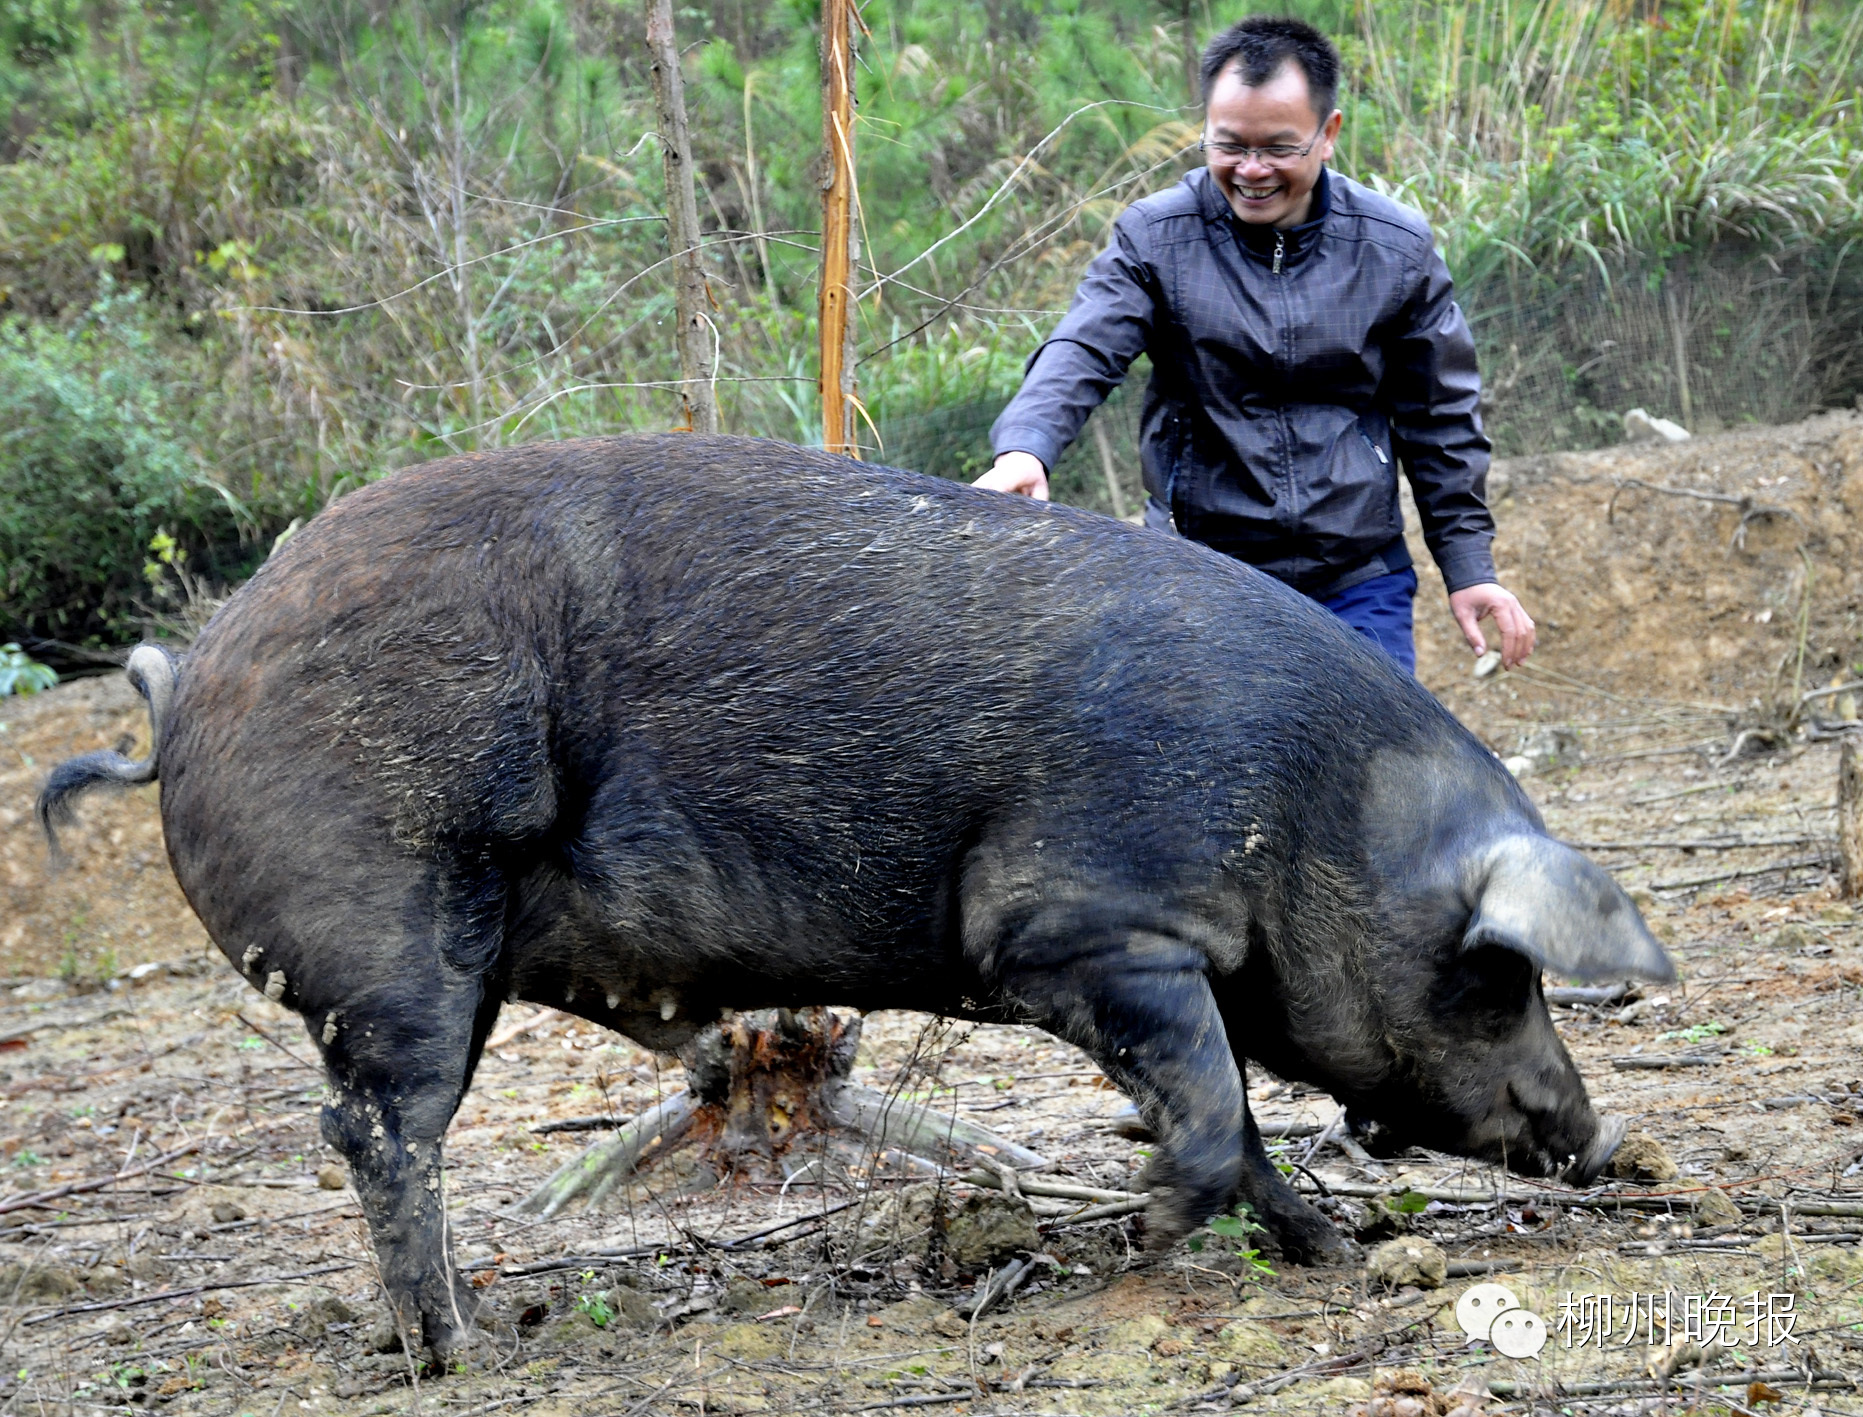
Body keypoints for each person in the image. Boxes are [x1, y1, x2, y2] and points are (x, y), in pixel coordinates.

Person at [974, 15, 1535, 673]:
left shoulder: (1394, 250)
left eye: (1277, 148)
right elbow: (1084, 345)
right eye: (1229, 144)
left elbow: (1439, 421)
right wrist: (1026, 446)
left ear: (1327, 134)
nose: (1250, 169)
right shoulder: (1156, 239)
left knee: (1365, 768)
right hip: (1197, 573)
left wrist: (1467, 566)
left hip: (1356, 576)